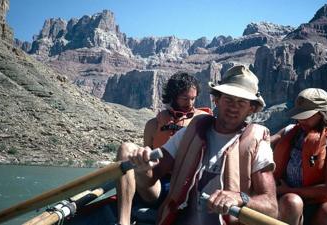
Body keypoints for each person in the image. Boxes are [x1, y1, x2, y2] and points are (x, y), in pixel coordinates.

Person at [118, 65, 278, 225]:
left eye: (242, 102)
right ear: (216, 100)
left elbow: (271, 207)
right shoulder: (189, 133)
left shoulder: (257, 142)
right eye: (228, 99)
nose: (233, 107)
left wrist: (240, 198)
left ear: (251, 108)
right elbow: (149, 182)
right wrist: (143, 169)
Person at [116, 72, 210, 225]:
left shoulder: (203, 122)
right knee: (126, 148)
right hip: (155, 186)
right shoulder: (153, 125)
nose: (190, 103)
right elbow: (147, 154)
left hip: (185, 187)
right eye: (185, 98)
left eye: (193, 98)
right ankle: (123, 221)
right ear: (173, 97)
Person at [271, 88, 327, 225]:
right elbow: (268, 140)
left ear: (321, 114)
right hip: (286, 201)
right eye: (299, 115)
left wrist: (289, 190)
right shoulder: (290, 131)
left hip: (317, 203)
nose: (301, 119)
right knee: (291, 201)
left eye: (306, 115)